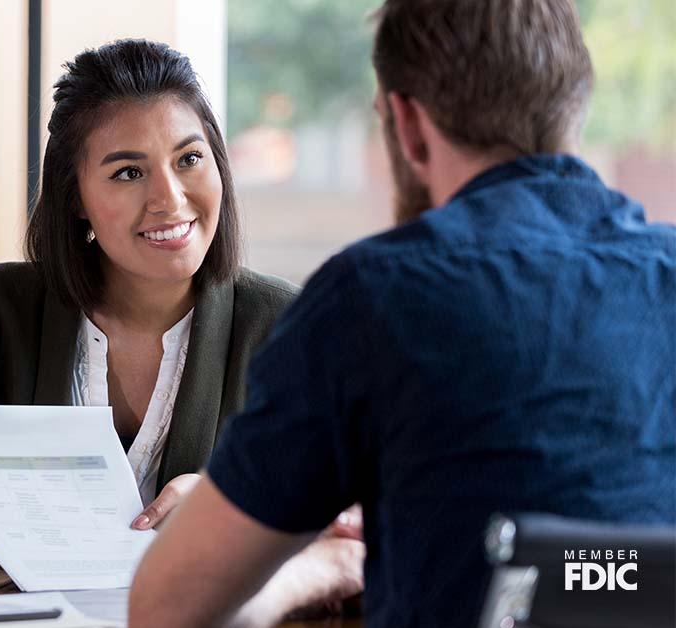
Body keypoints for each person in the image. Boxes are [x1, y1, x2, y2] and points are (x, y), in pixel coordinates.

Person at [129, 1, 676, 627]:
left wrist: (319, 563)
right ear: (575, 101)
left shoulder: (374, 298)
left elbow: (165, 608)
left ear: (407, 124)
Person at [0, 39, 361, 616]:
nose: (169, 199)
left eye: (189, 159)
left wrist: (236, 508)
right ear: (76, 198)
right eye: (128, 172)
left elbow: (353, 526)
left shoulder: (287, 326)